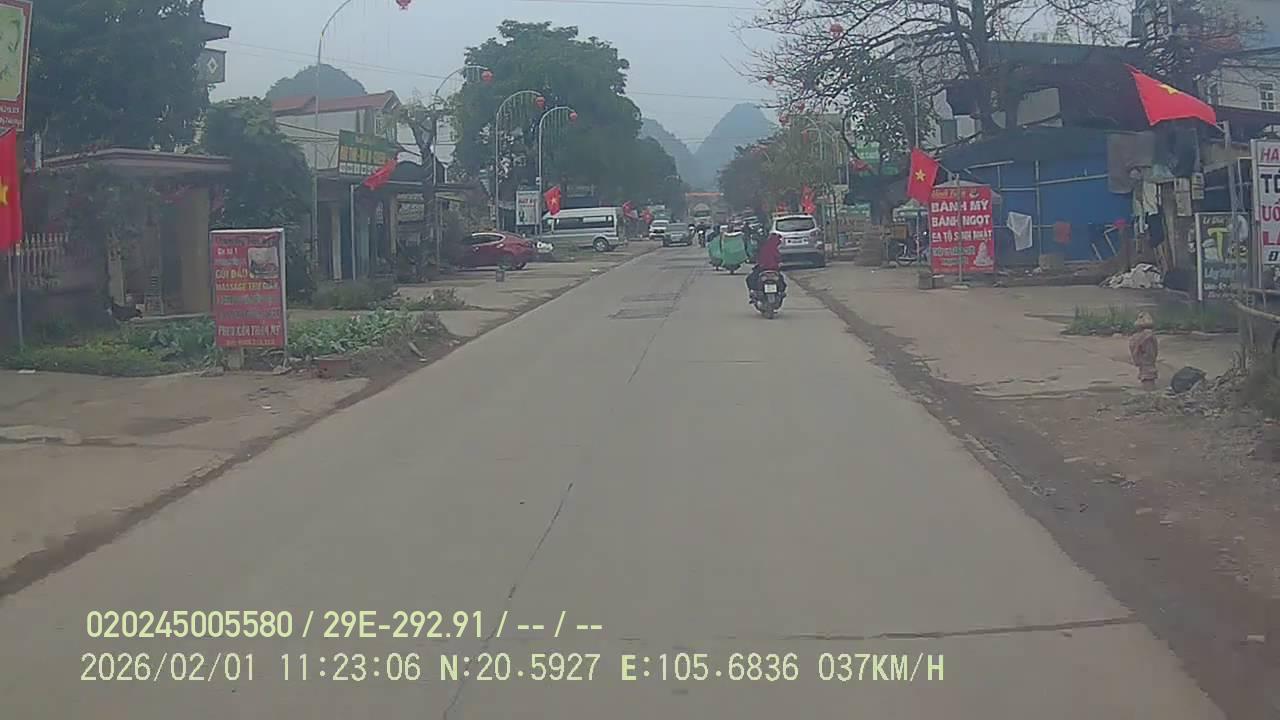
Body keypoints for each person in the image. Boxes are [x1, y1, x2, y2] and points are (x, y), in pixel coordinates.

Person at [746, 230, 786, 304]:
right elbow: (779, 258)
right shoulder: (774, 248)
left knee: (750, 279)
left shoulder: (762, 247)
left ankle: (753, 294)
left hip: (763, 268)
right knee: (781, 280)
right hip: (773, 269)